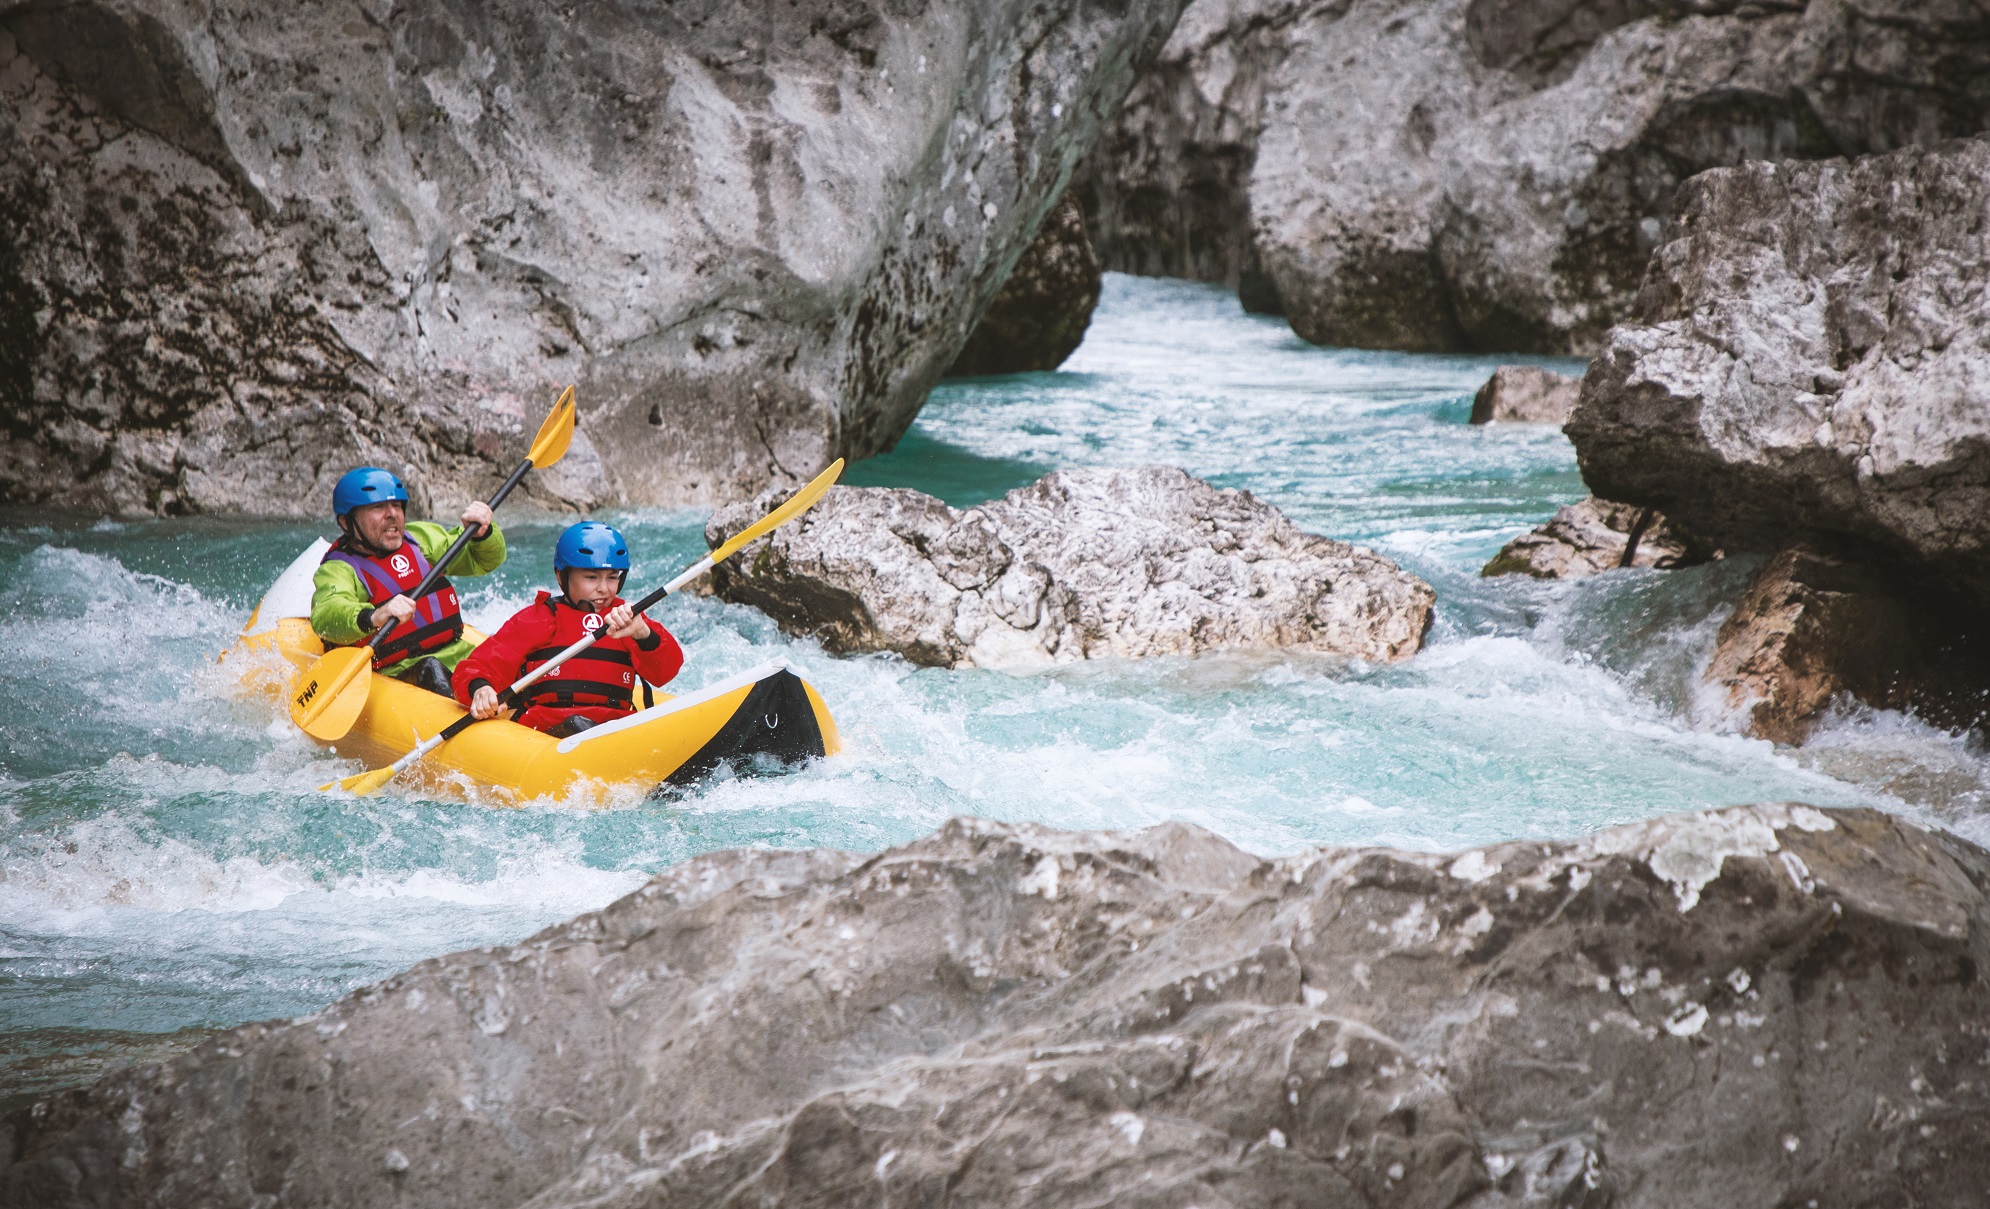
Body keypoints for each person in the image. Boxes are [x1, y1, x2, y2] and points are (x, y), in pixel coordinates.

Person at [451, 522, 683, 738]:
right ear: (562, 576)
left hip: (616, 728)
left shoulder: (626, 619)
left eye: (612, 578)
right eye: (591, 577)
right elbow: (477, 667)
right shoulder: (539, 618)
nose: (604, 589)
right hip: (546, 730)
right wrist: (481, 688)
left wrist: (642, 633)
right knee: (577, 726)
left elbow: (666, 671)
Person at [310, 467, 507, 697]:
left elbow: (482, 560)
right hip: (401, 672)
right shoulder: (339, 569)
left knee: (510, 656)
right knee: (431, 669)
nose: (392, 514)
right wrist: (375, 615)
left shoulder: (420, 539)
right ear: (347, 522)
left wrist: (483, 535)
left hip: (459, 655)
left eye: (397, 506)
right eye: (378, 507)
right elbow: (326, 615)